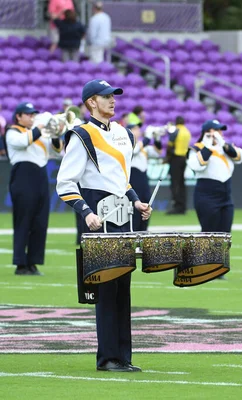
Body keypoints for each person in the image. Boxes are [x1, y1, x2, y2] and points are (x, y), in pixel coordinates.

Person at [56, 79, 152, 372]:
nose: (112, 100)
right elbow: (65, 182)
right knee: (106, 287)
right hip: (98, 214)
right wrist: (85, 212)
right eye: (105, 96)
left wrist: (136, 201)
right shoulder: (81, 134)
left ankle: (123, 355)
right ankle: (107, 357)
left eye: (113, 96)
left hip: (123, 214)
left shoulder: (125, 133)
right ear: (90, 103)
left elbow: (122, 179)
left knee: (124, 285)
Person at [7, 102, 63, 276]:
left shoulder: (38, 134)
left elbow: (57, 150)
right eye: (29, 115)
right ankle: (20, 264)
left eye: (33, 115)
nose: (32, 117)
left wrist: (55, 133)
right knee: (23, 220)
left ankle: (33, 262)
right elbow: (24, 142)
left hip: (40, 175)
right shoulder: (12, 132)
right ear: (19, 116)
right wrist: (40, 126)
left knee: (40, 222)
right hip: (23, 175)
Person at [187, 119, 242, 235]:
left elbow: (240, 157)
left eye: (220, 131)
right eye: (216, 130)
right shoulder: (197, 148)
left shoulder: (224, 147)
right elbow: (198, 165)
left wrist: (222, 143)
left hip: (225, 196)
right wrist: (207, 145)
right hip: (207, 196)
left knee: (225, 236)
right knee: (209, 236)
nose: (219, 133)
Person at [130, 124, 162, 231]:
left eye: (138, 129)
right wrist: (148, 137)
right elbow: (135, 150)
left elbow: (158, 153)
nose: (138, 131)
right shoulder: (128, 145)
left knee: (147, 202)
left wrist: (157, 138)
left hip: (143, 178)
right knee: (135, 204)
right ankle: (134, 230)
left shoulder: (143, 147)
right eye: (135, 129)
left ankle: (144, 229)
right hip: (133, 177)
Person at [166, 116, 191, 215]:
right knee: (181, 183)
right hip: (183, 159)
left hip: (175, 158)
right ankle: (183, 206)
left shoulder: (175, 131)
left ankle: (177, 206)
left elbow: (170, 145)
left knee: (175, 183)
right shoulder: (187, 131)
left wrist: (167, 158)